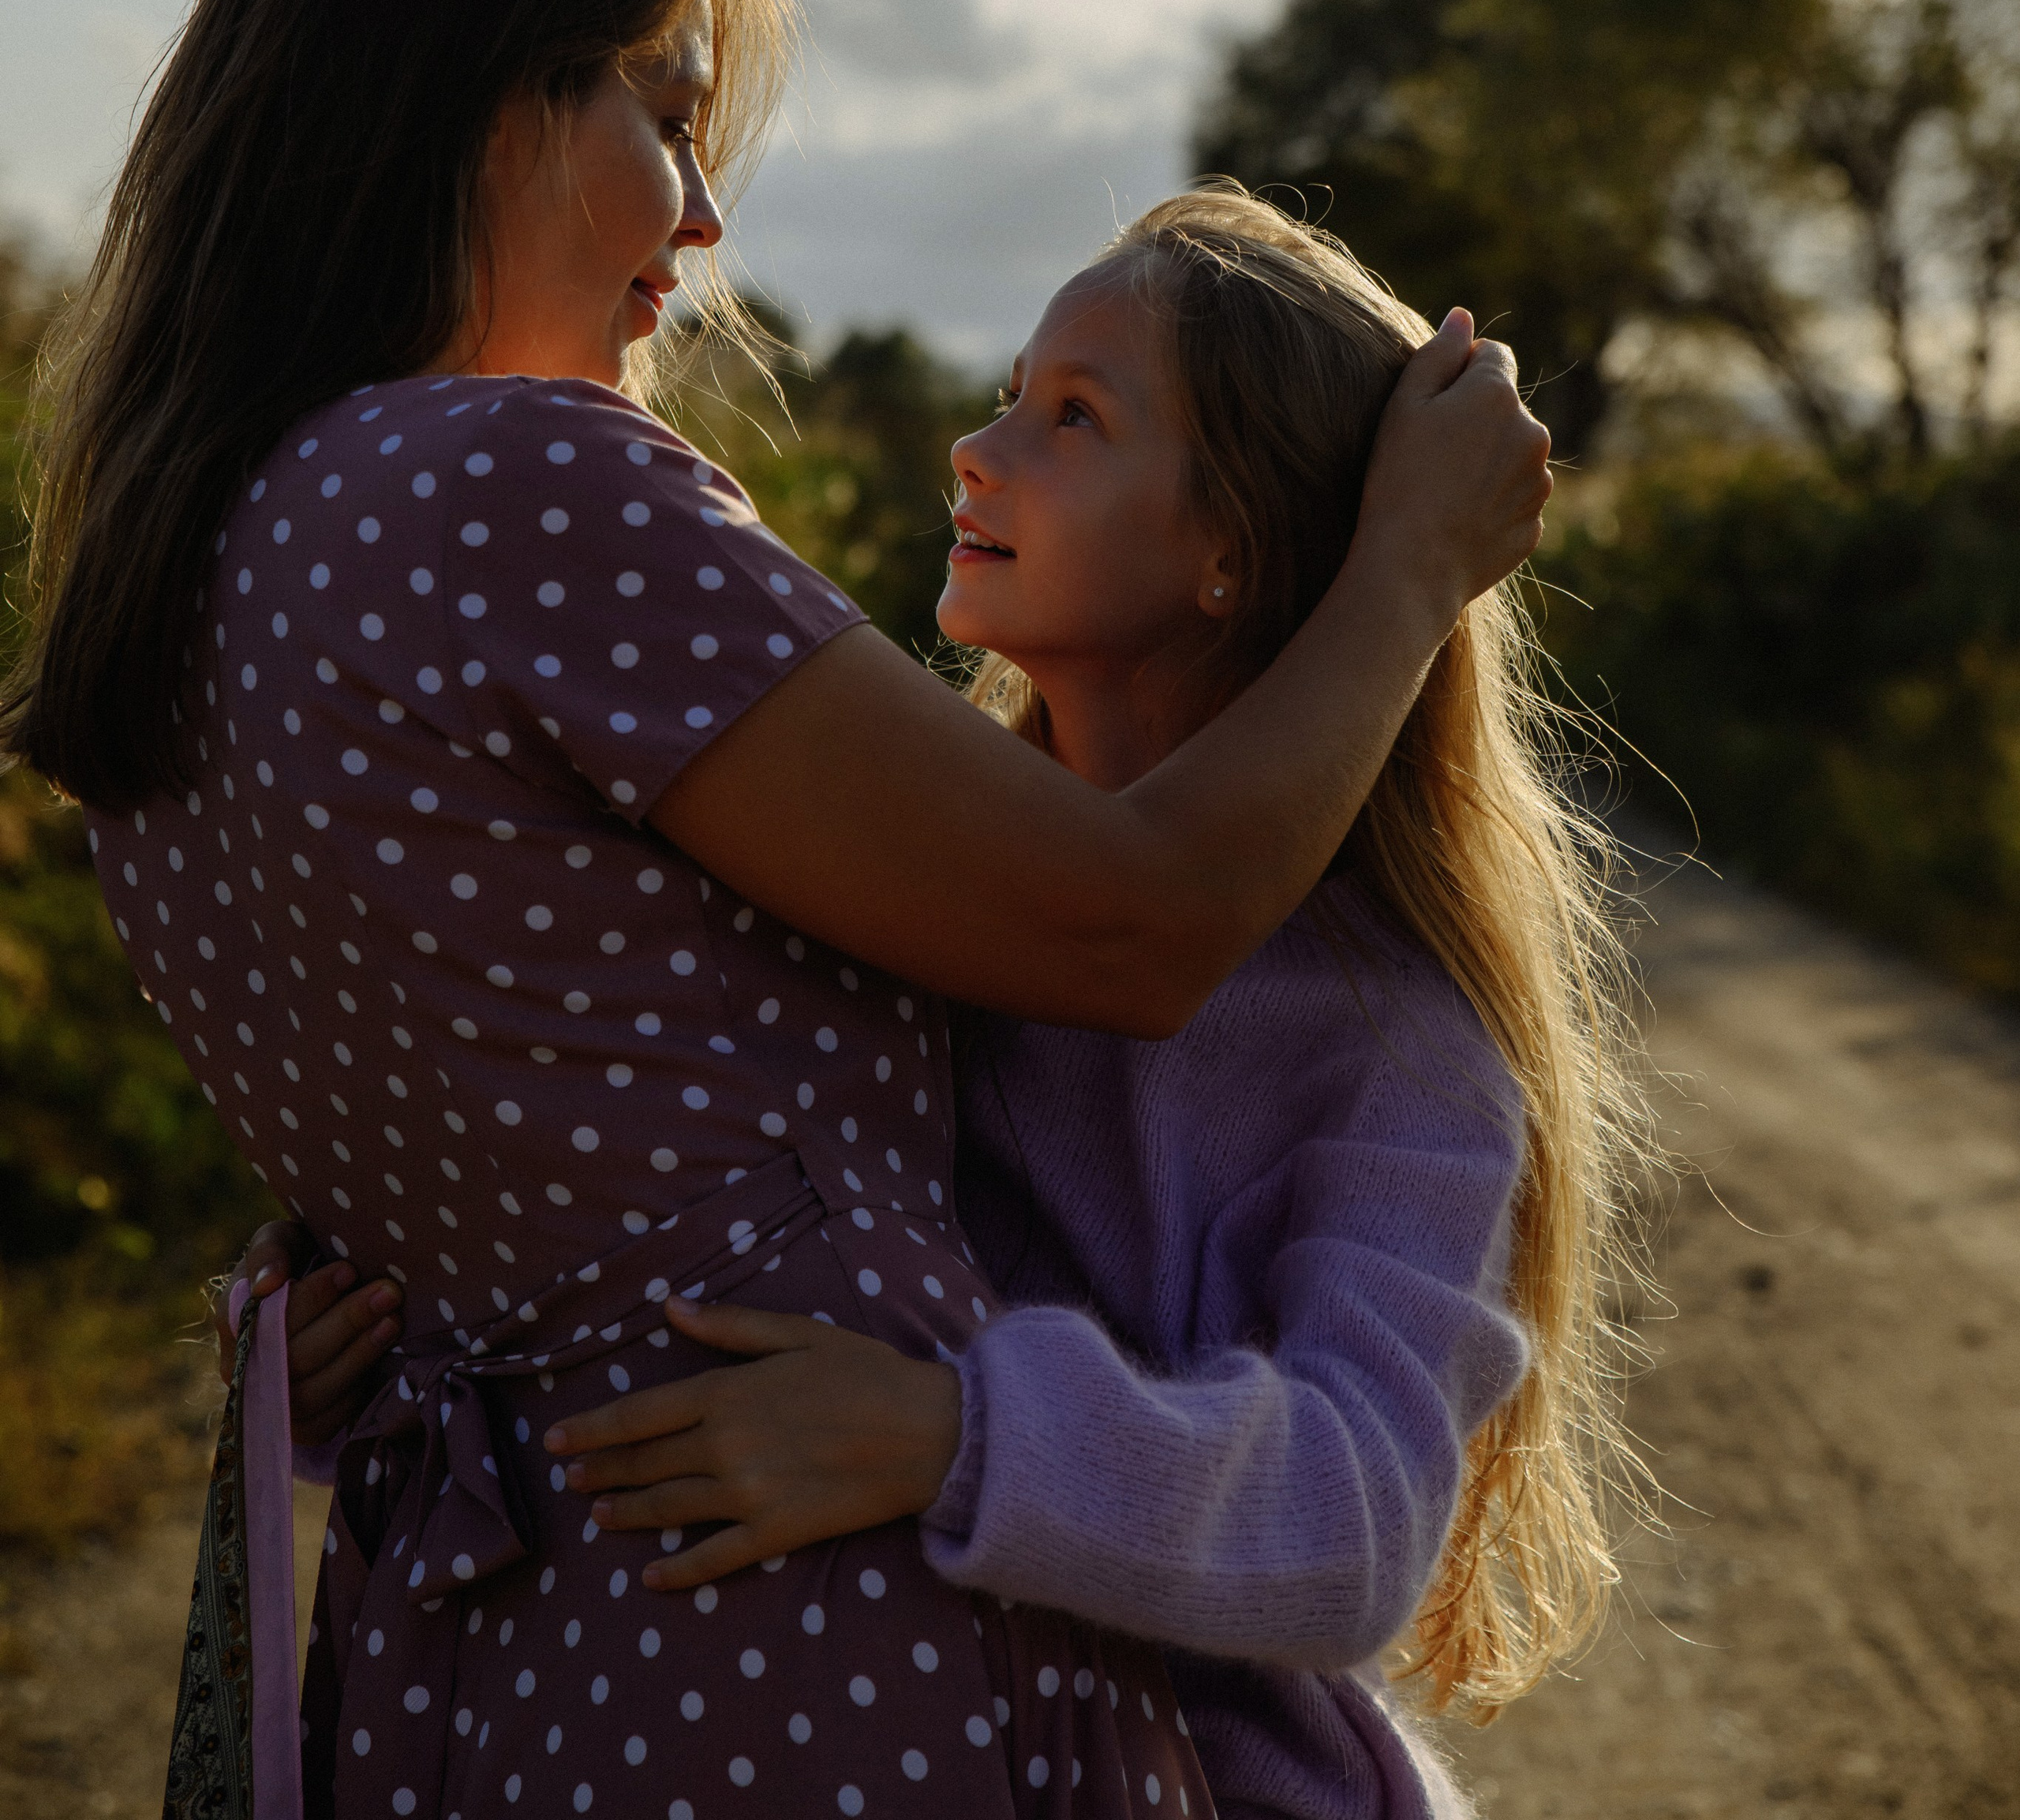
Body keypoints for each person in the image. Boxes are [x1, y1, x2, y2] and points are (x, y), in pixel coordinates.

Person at [6, 0, 1550, 1820]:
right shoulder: (508, 478)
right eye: (659, 108)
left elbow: (538, 1113)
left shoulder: (199, 563)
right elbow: (1133, 922)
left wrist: (369, 1302)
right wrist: (1414, 571)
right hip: (783, 1657)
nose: (701, 210)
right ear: (472, 88)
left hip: (495, 1638)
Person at [243, 189, 1635, 1820]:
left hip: (1218, 1786)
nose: (975, 454)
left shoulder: (1394, 1050)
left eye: (1070, 419)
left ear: (1229, 552)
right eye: (1005, 396)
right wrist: (355, 1360)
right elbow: (649, 1213)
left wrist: (957, 1436)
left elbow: (1358, 1525)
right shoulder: (885, 891)